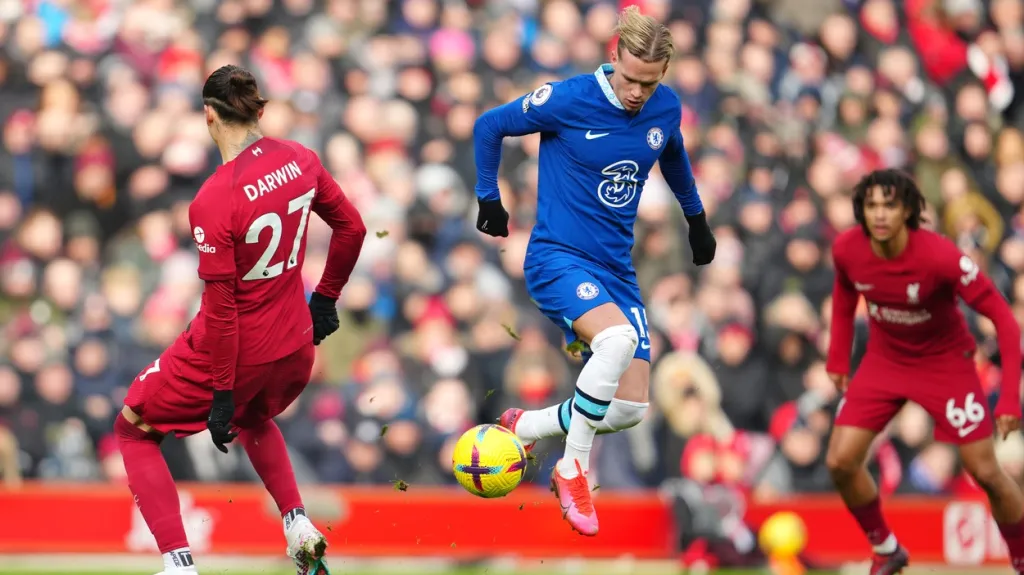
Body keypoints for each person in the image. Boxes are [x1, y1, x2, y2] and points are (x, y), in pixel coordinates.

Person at [472, 6, 716, 536]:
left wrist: (696, 219)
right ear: (614, 58)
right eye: (630, 79)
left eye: (649, 84)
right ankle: (573, 467)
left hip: (616, 269)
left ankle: (528, 425)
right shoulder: (568, 98)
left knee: (629, 408)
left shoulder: (664, 108)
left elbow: (671, 155)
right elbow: (489, 125)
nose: (637, 92)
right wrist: (489, 197)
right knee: (616, 342)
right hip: (556, 257)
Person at [115, 65, 367, 575]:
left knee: (134, 429)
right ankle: (297, 522)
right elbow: (353, 228)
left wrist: (223, 391)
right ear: (258, 110)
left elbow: (225, 310)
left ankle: (179, 563)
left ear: (209, 115)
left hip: (232, 353)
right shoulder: (299, 158)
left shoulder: (214, 198)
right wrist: (325, 299)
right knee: (256, 416)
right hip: (296, 345)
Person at [826, 169, 1024, 575]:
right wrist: (837, 358)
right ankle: (886, 549)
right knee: (840, 461)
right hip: (885, 361)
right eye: (871, 206)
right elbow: (845, 295)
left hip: (944, 364)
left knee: (986, 471)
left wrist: (1007, 397)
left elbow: (1004, 319)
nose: (879, 215)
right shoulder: (847, 248)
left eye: (890, 205)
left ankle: (1022, 559)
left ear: (909, 211)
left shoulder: (941, 256)